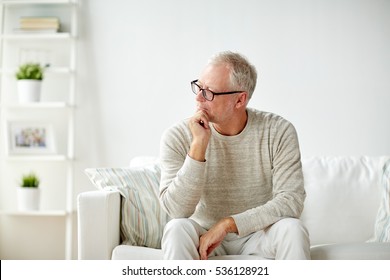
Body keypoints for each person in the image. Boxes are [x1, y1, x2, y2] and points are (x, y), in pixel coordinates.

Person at [158, 51, 310, 260]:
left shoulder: (278, 131)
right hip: (203, 236)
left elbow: (291, 200)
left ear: (240, 100)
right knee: (176, 228)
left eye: (209, 92)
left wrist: (229, 224)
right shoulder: (178, 136)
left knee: (292, 229)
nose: (198, 97)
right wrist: (198, 148)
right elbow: (176, 210)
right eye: (198, 87)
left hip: (259, 235)